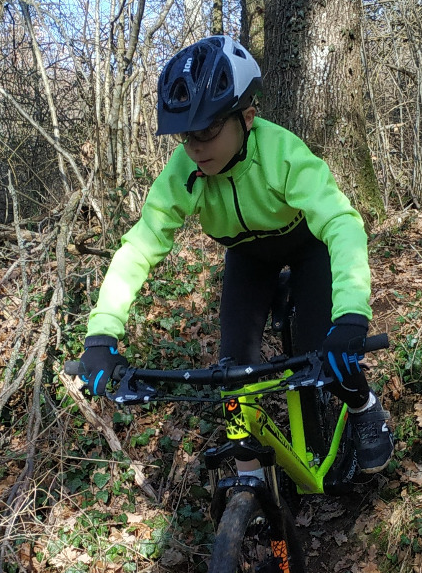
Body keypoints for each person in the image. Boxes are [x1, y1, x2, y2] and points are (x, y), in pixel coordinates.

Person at [77, 35, 393, 474]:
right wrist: (101, 334)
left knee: (324, 357)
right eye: (186, 135)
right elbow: (139, 247)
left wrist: (352, 315)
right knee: (233, 373)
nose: (195, 147)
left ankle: (363, 406)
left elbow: (341, 222)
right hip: (248, 258)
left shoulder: (280, 152)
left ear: (247, 116)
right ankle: (249, 477)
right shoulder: (185, 170)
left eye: (207, 131)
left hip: (308, 247)